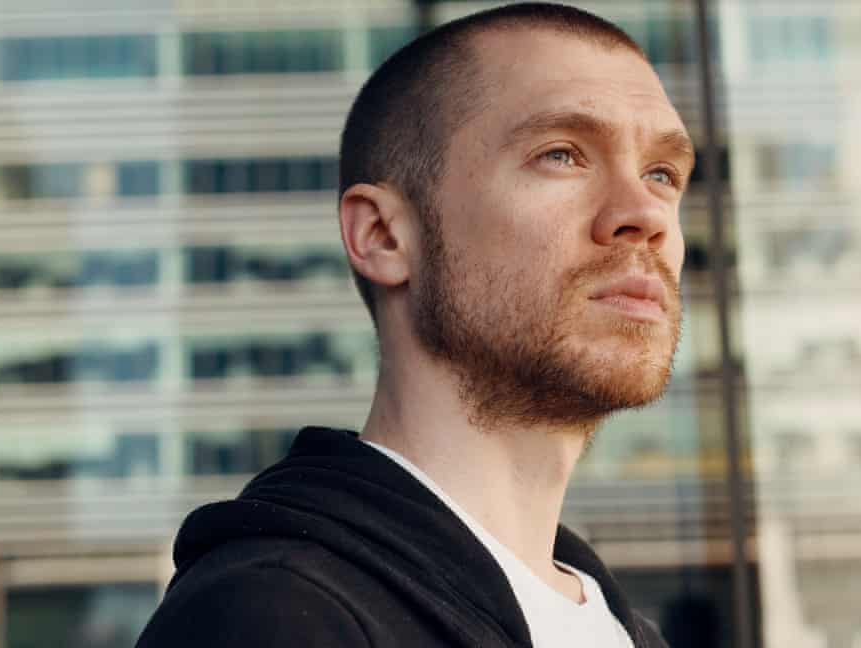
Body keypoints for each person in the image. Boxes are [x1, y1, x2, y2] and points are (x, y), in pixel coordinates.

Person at [135, 3, 695, 647]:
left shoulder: (621, 633)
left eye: (661, 174)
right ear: (382, 235)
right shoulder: (268, 617)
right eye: (562, 155)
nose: (646, 214)